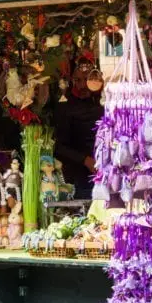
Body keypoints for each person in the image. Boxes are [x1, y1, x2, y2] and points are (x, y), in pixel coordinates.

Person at [53, 55, 104, 199]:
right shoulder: (65, 106)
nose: (82, 85)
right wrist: (85, 160)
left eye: (87, 79)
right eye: (78, 80)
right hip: (78, 175)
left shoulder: (101, 101)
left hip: (103, 168)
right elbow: (59, 147)